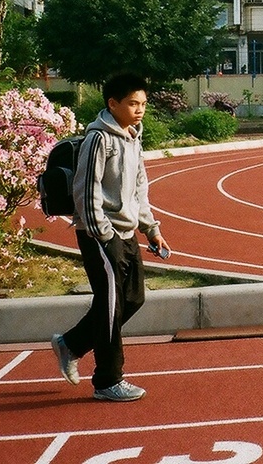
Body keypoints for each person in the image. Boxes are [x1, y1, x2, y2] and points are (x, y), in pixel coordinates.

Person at [51, 72, 170, 403]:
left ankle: (71, 344)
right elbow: (85, 190)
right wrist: (103, 233)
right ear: (113, 104)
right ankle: (108, 380)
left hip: (127, 232)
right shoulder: (98, 139)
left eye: (143, 103)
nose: (139, 109)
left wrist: (151, 228)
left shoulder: (133, 138)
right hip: (100, 234)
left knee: (133, 299)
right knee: (110, 305)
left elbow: (140, 189)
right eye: (133, 103)